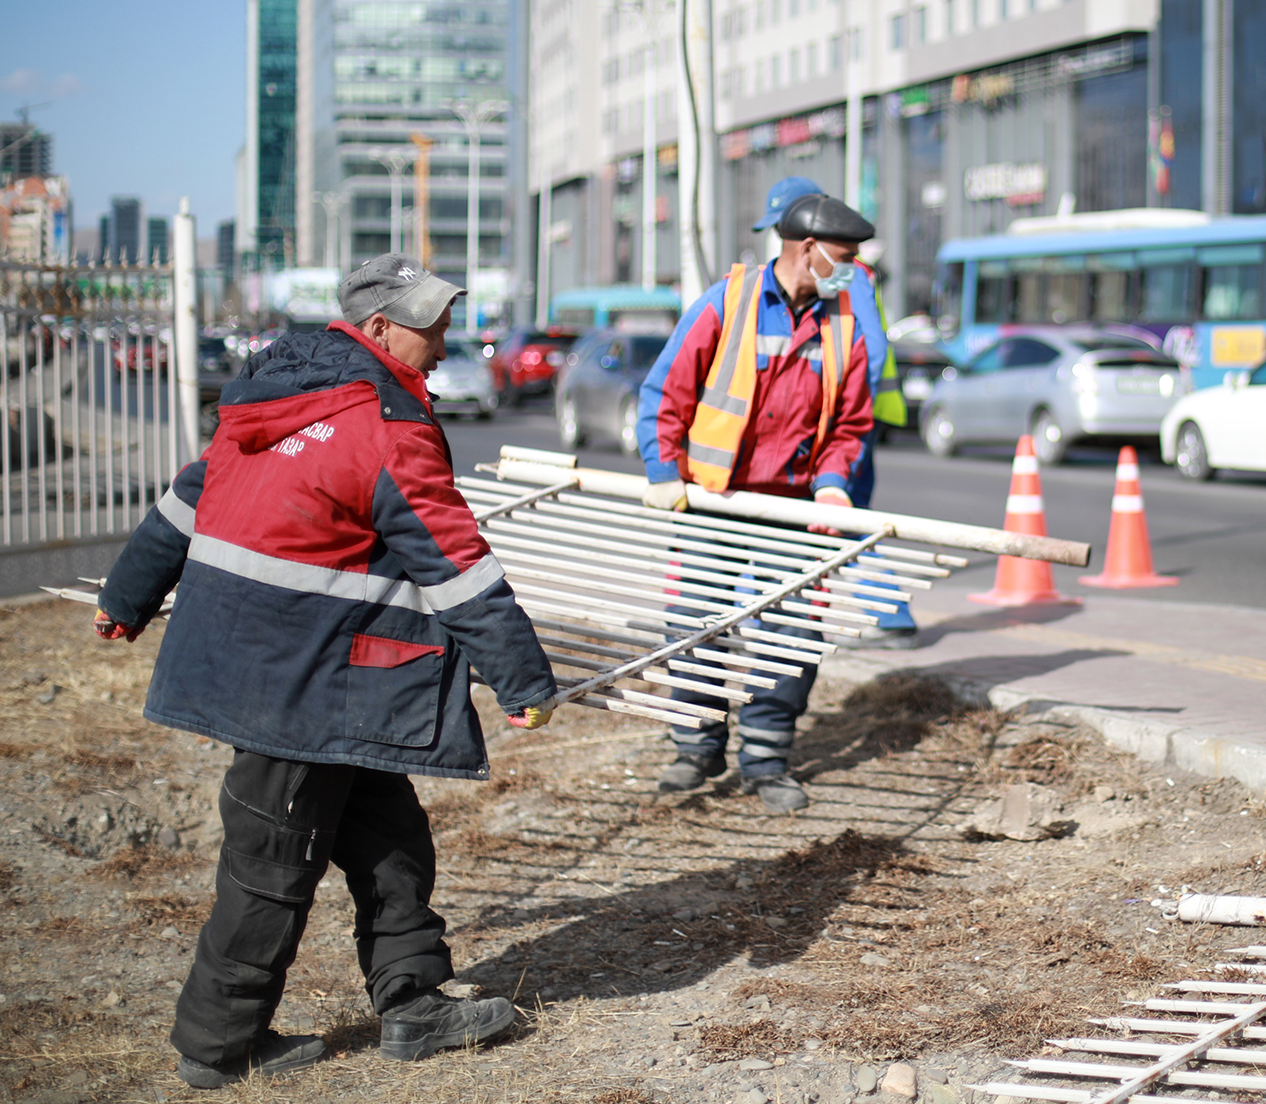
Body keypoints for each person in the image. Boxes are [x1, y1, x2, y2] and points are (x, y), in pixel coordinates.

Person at [91, 254, 559, 1090]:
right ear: (377, 329)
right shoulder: (384, 424)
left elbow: (186, 500)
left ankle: (415, 1003)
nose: (445, 336)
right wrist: (522, 677)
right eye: (431, 322)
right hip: (301, 678)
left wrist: (126, 597)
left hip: (315, 670)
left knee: (392, 844)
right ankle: (216, 1043)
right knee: (272, 862)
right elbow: (454, 561)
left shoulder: (276, 396)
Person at [638, 192, 876, 811]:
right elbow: (667, 388)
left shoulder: (842, 323)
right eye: (845, 257)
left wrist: (833, 481)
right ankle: (696, 748)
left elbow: (849, 424)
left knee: (792, 635)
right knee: (696, 625)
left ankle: (767, 758)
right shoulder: (729, 301)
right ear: (807, 249)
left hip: (794, 507)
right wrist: (663, 469)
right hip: (714, 499)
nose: (852, 269)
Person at [751, 178, 919, 649]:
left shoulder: (849, 276)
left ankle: (892, 615)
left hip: (852, 425)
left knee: (841, 516)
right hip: (850, 421)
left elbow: (867, 347)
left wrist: (840, 411)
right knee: (817, 521)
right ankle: (765, 616)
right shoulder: (830, 277)